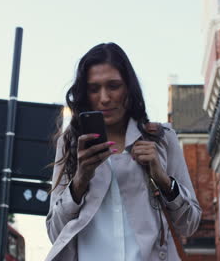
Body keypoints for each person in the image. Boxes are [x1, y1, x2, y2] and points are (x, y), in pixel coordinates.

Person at [45, 43, 201, 261]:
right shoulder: (71, 143)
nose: (105, 97)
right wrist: (80, 180)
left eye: (113, 86)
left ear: (129, 87)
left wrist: (164, 180)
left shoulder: (161, 138)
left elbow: (190, 223)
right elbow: (55, 232)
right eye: (94, 89)